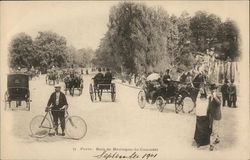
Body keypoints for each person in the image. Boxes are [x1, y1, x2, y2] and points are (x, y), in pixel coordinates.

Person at [207, 84, 221, 151]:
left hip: (216, 116)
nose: (213, 91)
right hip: (211, 116)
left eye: (214, 89)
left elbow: (219, 103)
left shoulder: (218, 96)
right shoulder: (210, 97)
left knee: (214, 130)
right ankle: (217, 138)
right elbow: (209, 107)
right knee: (214, 128)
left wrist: (215, 97)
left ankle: (211, 145)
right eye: (212, 89)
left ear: (216, 90)